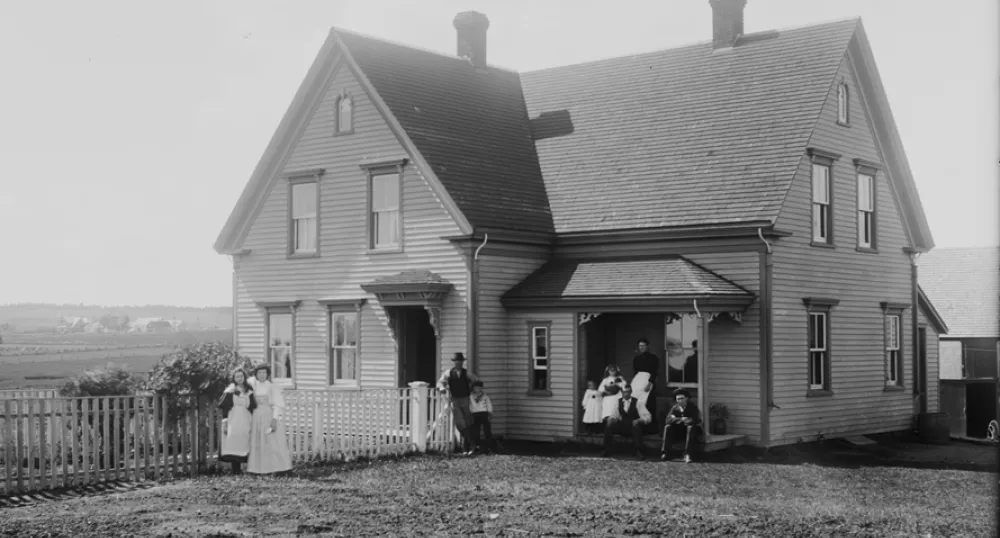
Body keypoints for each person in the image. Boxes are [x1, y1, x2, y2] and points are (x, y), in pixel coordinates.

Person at [247, 365, 293, 474]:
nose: (262, 375)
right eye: (259, 373)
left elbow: (277, 405)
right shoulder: (253, 386)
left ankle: (279, 468)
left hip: (268, 415)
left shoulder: (271, 387)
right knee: (258, 441)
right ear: (256, 374)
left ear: (267, 374)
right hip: (256, 416)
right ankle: (258, 469)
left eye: (264, 373)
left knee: (272, 441)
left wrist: (274, 420)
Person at [436, 352, 479, 455]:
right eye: (456, 361)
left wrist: (472, 389)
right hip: (455, 399)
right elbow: (440, 382)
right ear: (454, 362)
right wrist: (442, 389)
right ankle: (472, 444)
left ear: (462, 362)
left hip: (465, 398)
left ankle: (466, 448)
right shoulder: (448, 373)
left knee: (467, 421)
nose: (458, 363)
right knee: (459, 422)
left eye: (460, 362)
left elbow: (476, 380)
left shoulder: (467, 373)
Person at [218, 369, 256, 474]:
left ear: (244, 377)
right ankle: (236, 470)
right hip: (233, 419)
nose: (240, 378)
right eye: (237, 376)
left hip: (246, 418)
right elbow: (224, 408)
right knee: (234, 441)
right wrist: (225, 422)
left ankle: (249, 469)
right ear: (234, 378)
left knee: (245, 441)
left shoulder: (249, 390)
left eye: (241, 376)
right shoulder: (230, 391)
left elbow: (253, 406)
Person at [602, 384, 652, 459]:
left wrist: (640, 420)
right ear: (621, 392)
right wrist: (612, 418)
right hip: (622, 427)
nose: (626, 394)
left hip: (633, 427)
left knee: (636, 426)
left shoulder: (638, 402)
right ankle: (607, 450)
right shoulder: (618, 402)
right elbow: (614, 415)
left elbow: (648, 417)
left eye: (628, 392)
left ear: (631, 392)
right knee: (609, 424)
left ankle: (639, 451)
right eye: (624, 392)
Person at [661, 388, 702, 463]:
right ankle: (666, 453)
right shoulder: (675, 408)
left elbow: (695, 420)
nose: (680, 401)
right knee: (667, 427)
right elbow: (667, 420)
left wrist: (676, 419)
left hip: (692, 432)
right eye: (678, 399)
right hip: (679, 432)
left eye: (682, 398)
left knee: (690, 427)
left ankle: (688, 454)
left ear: (686, 398)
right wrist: (682, 419)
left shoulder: (692, 407)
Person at [631, 337, 660, 421]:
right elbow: (635, 372)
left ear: (647, 346)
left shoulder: (653, 358)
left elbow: (654, 372)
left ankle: (650, 425)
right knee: (636, 401)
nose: (641, 347)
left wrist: (650, 383)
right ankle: (639, 421)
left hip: (648, 381)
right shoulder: (637, 359)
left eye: (643, 345)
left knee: (648, 402)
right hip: (638, 381)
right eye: (640, 346)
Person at [468, 381, 496, 454]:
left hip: (484, 414)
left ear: (481, 388)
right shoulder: (471, 396)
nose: (477, 389)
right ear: (473, 388)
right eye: (476, 387)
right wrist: (470, 413)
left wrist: (490, 413)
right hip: (475, 414)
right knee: (476, 432)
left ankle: (488, 448)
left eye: (479, 387)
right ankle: (477, 447)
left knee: (487, 431)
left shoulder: (485, 396)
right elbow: (469, 405)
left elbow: (489, 405)